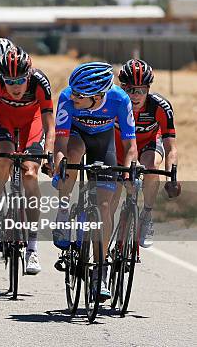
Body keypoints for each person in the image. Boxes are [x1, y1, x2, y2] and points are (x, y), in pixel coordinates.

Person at [52, 61, 137, 300]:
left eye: (81, 95)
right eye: (74, 93)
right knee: (73, 155)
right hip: (76, 136)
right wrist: (60, 162)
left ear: (98, 96)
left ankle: (100, 271)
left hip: (103, 141)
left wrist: (129, 169)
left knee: (105, 206)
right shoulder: (68, 97)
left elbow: (130, 146)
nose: (74, 97)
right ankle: (63, 211)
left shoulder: (120, 99)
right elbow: (60, 142)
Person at [0, 47, 54, 275]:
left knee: (30, 173)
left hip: (31, 124)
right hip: (3, 121)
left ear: (29, 75)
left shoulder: (40, 83)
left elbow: (50, 126)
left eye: (20, 81)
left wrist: (49, 154)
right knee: (1, 159)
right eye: (9, 81)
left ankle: (32, 246)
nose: (14, 86)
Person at [112, 59, 180, 247]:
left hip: (148, 145)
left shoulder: (160, 107)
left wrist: (171, 178)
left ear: (148, 89)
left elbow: (171, 147)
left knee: (151, 167)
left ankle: (147, 215)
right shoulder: (112, 102)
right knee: (111, 196)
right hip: (120, 149)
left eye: (141, 90)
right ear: (122, 88)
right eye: (130, 90)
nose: (135, 96)